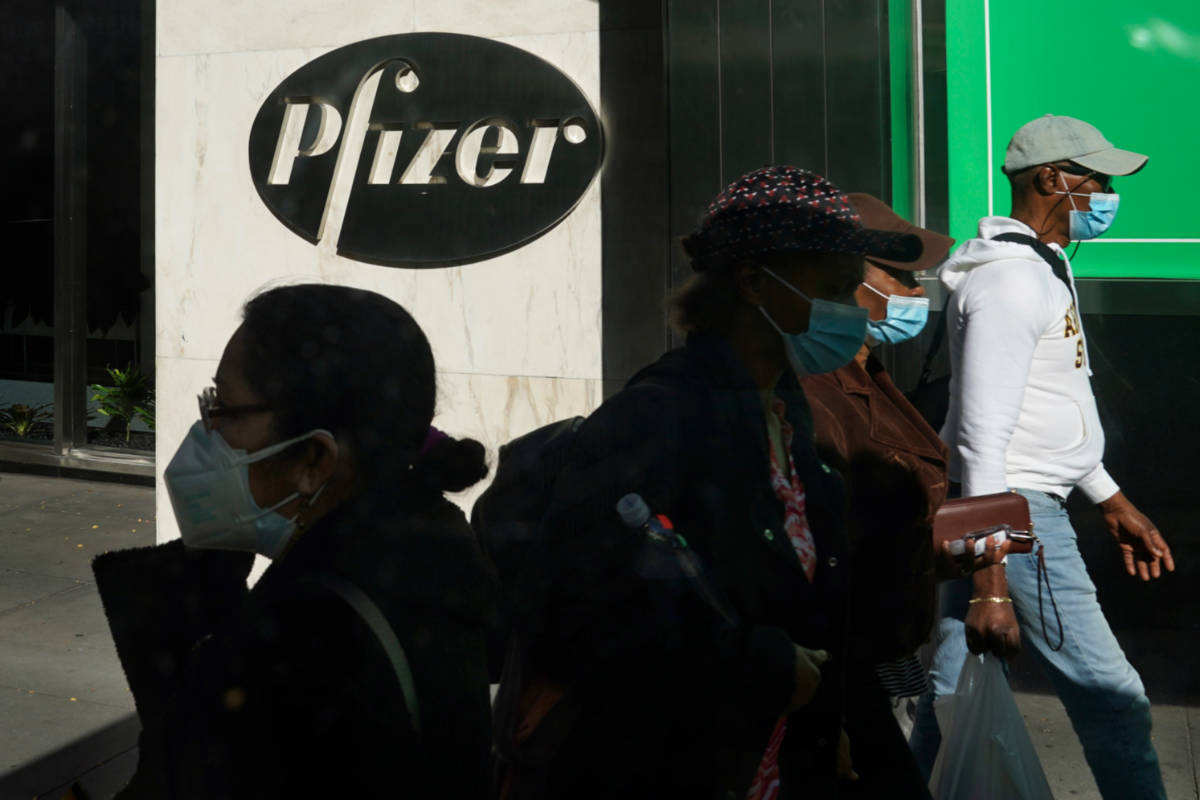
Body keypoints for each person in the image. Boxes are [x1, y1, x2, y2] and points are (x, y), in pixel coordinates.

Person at [498, 166, 923, 799]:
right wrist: (760, 663)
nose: (851, 309)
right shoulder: (658, 419)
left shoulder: (785, 412)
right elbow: (581, 607)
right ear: (753, 282)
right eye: (834, 288)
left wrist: (824, 717)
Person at [93, 284, 495, 798]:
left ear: (314, 461)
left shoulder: (301, 642)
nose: (206, 432)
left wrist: (196, 643)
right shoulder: (427, 563)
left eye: (224, 411)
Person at [908, 115, 1175, 798]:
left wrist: (1109, 497)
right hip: (1016, 515)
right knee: (1114, 699)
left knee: (951, 695)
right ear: (1052, 179)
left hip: (999, 503)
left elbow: (1047, 408)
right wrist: (991, 584)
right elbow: (982, 438)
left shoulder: (1039, 270)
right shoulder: (1012, 283)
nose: (1110, 193)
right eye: (1099, 179)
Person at [799, 195, 1014, 800]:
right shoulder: (813, 391)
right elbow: (823, 552)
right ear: (840, 281)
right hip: (835, 677)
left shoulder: (867, 370)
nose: (917, 294)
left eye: (918, 279)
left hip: (874, 662)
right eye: (899, 277)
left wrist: (950, 550)